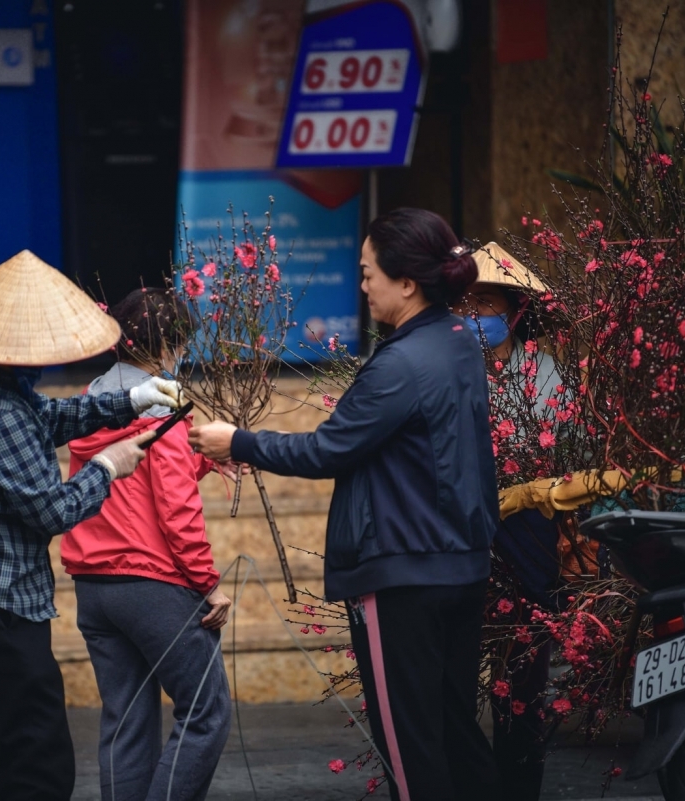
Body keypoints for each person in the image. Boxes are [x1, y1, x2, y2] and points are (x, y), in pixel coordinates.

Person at [189, 208, 501, 800]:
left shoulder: (404, 362)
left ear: (407, 281)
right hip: (460, 561)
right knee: (456, 727)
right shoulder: (458, 341)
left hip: (404, 569)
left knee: (410, 745)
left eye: (367, 274)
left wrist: (239, 442)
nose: (362, 287)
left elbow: (329, 449)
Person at [0, 251, 183, 801]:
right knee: (33, 765)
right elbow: (53, 511)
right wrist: (107, 467)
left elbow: (45, 418)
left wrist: (128, 401)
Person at [63, 288, 233, 801]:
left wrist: (208, 459)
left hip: (95, 587)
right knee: (206, 711)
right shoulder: (164, 401)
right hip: (151, 582)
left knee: (127, 722)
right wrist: (207, 583)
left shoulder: (94, 397)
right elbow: (176, 507)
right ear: (170, 345)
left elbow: (136, 477)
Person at [452, 243, 564, 801]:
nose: (475, 315)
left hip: (529, 544)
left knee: (522, 688)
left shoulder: (546, 375)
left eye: (487, 303)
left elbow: (572, 456)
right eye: (465, 302)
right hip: (460, 542)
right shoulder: (449, 367)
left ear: (515, 310)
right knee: (451, 685)